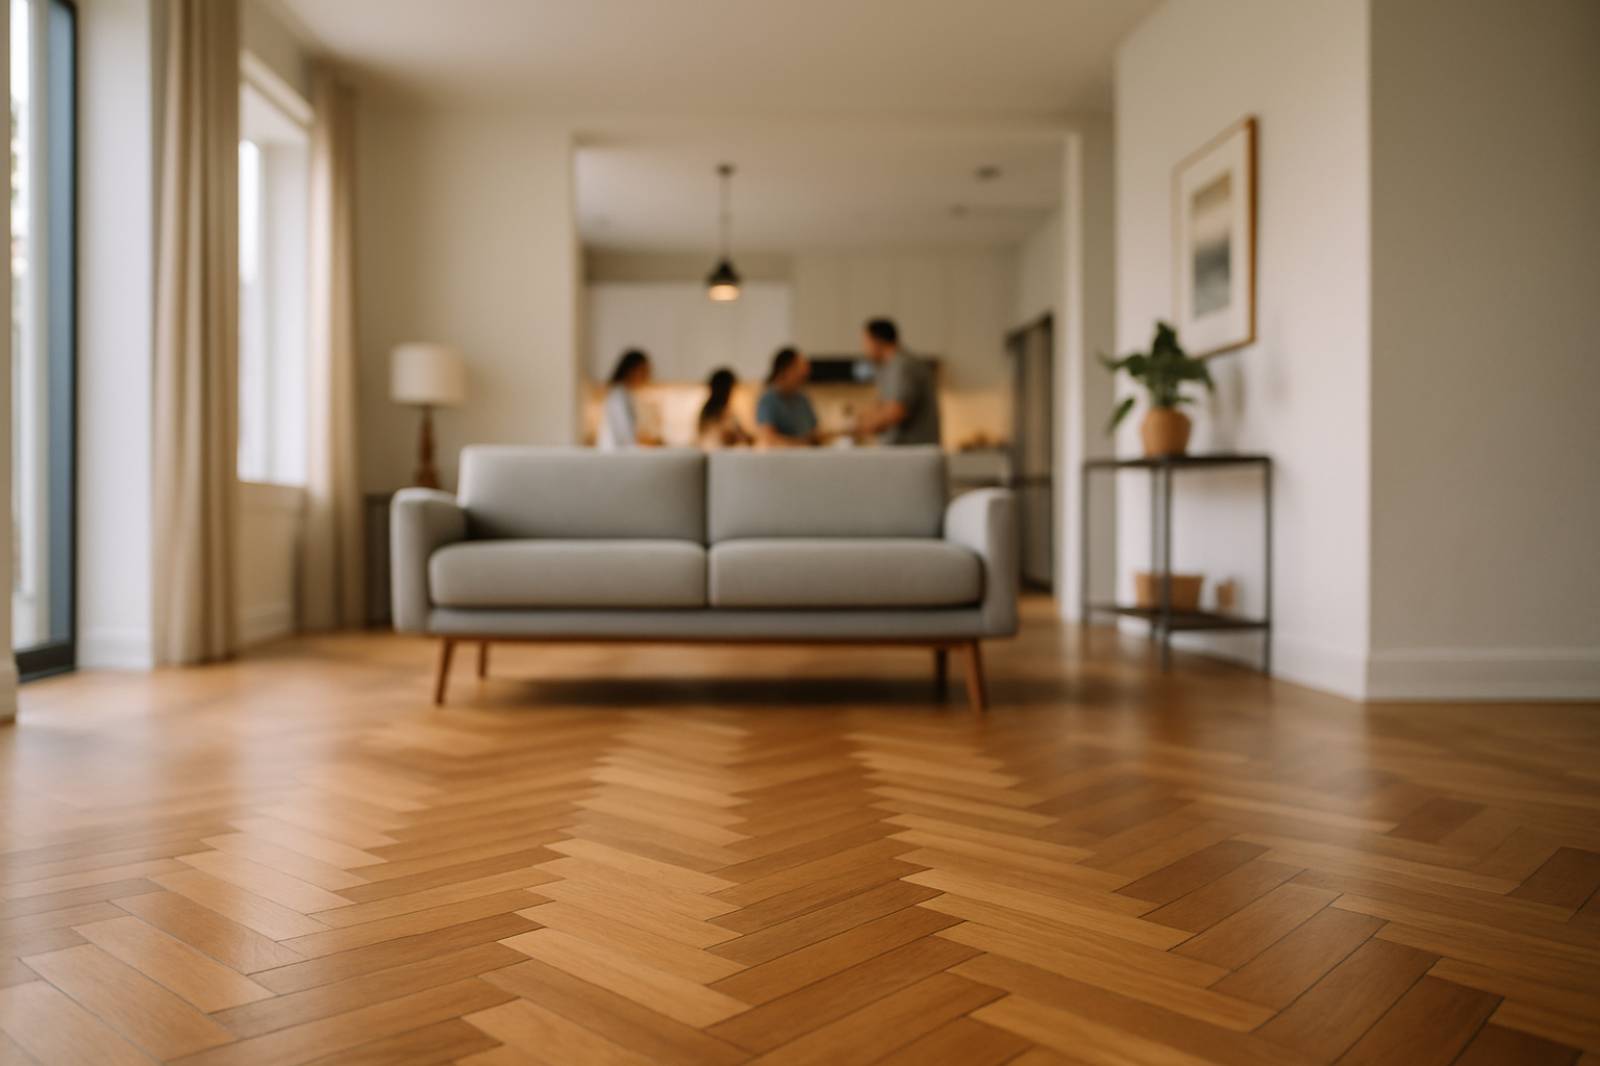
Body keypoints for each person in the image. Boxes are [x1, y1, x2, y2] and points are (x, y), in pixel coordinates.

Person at [854, 318, 941, 446]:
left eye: (865, 342)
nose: (863, 348)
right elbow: (884, 406)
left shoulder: (903, 365)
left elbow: (897, 411)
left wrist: (866, 425)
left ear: (878, 341)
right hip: (902, 452)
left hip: (912, 452)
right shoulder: (887, 367)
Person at [755, 347, 821, 447]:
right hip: (782, 459)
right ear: (784, 370)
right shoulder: (768, 400)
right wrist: (801, 444)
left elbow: (814, 434)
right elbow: (768, 437)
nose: (802, 380)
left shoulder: (803, 400)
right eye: (798, 374)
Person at [597, 348, 659, 450]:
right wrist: (649, 443)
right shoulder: (618, 396)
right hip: (616, 456)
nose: (647, 375)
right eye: (644, 370)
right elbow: (626, 435)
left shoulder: (625, 395)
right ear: (631, 370)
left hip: (620, 455)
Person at [697, 367, 753, 449]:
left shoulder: (716, 410)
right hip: (719, 456)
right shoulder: (716, 413)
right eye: (731, 388)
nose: (731, 392)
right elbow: (725, 437)